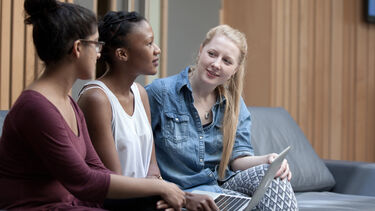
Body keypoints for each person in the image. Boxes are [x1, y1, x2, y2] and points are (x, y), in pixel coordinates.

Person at [0, 1, 185, 210]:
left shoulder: (68, 102)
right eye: (96, 44)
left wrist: (162, 192)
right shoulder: (36, 108)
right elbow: (84, 181)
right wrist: (163, 189)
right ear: (78, 48)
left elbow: (98, 169)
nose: (99, 53)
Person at [146, 24, 299, 210]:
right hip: (181, 192)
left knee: (275, 175)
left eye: (227, 61)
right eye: (212, 54)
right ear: (201, 50)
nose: (216, 64)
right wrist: (163, 192)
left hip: (219, 187)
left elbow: (237, 160)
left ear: (235, 69)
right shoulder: (161, 93)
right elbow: (140, 155)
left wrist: (268, 160)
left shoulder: (235, 104)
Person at [78, 11, 218, 211]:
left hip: (144, 200)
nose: (157, 50)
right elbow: (113, 182)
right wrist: (178, 196)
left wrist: (163, 194)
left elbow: (152, 166)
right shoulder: (96, 99)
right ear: (122, 54)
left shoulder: (141, 93)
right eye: (149, 43)